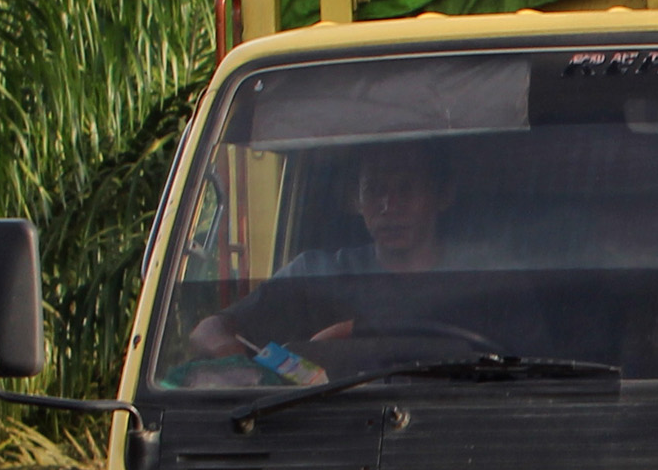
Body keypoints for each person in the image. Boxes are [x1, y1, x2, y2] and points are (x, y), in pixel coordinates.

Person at [188, 142, 457, 363]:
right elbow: (207, 331)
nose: (389, 205)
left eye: (406, 188)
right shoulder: (316, 274)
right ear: (356, 201)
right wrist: (237, 364)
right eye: (374, 189)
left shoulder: (479, 275)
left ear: (442, 196)